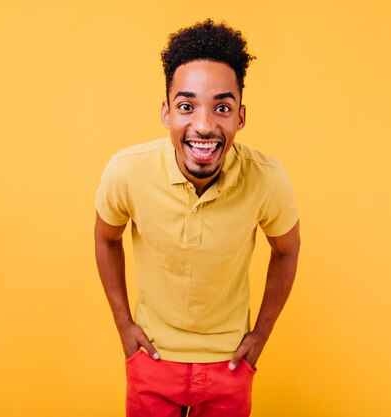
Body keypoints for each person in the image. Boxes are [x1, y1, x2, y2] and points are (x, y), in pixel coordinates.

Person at [94, 18, 300, 417]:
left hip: (229, 364)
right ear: (166, 113)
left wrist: (261, 334)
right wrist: (124, 326)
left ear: (240, 116)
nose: (204, 125)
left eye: (221, 107)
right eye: (187, 106)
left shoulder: (267, 178)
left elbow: (287, 250)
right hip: (152, 360)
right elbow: (106, 238)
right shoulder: (126, 171)